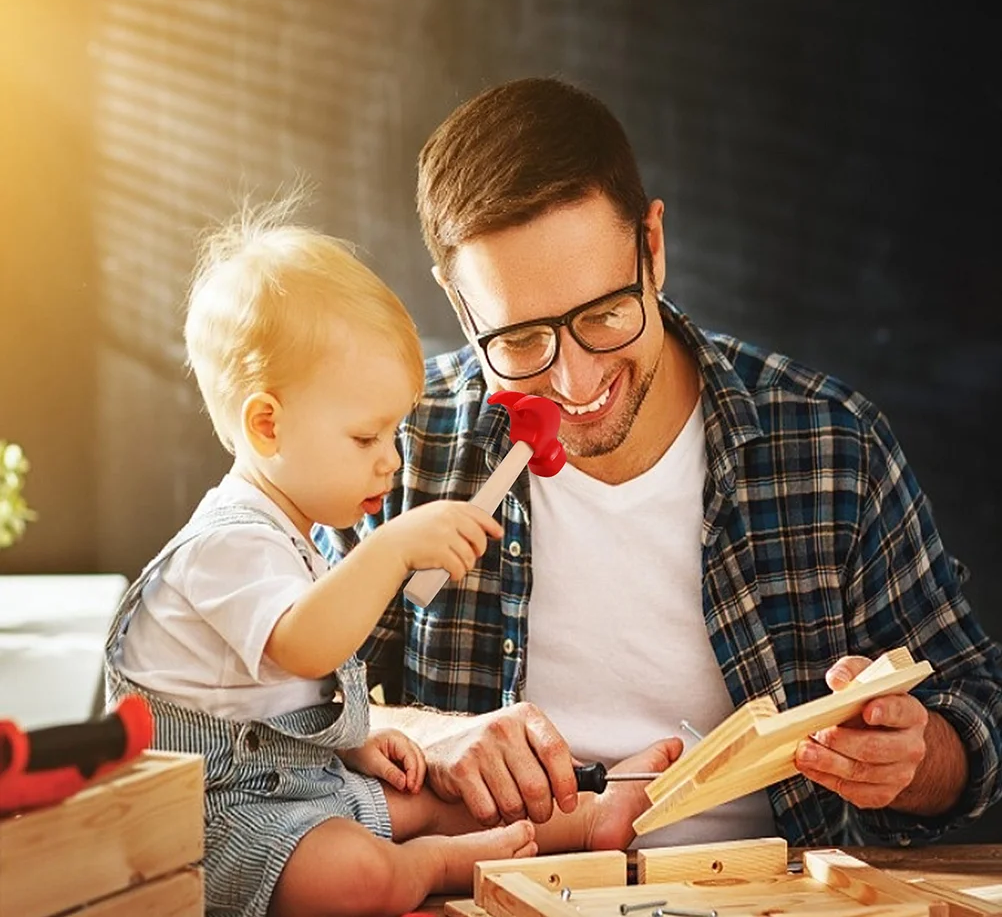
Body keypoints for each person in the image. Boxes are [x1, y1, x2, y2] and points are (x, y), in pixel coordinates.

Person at [316, 77, 1002, 850]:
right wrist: (424, 734)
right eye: (519, 341)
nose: (573, 384)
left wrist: (914, 756)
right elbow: (260, 701)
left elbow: (980, 713)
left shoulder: (832, 446)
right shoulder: (401, 445)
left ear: (654, 246)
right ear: (456, 301)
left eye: (606, 314)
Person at [103, 199, 679, 917]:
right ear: (266, 424)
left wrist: (357, 744)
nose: (390, 461)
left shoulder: (286, 537)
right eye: (365, 438)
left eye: (394, 434)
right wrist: (390, 548)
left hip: (289, 785)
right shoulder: (225, 547)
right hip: (210, 817)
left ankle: (591, 819)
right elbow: (306, 647)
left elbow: (283, 697)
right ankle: (428, 870)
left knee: (423, 796)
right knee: (356, 875)